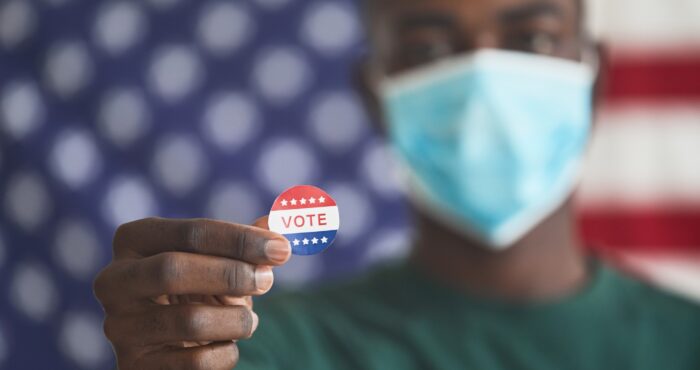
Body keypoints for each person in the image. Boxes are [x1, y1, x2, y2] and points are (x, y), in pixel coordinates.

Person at [93, 0, 700, 369]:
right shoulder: (257, 346)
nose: (482, 76)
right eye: (427, 47)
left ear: (594, 77)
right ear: (374, 95)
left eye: (532, 39)